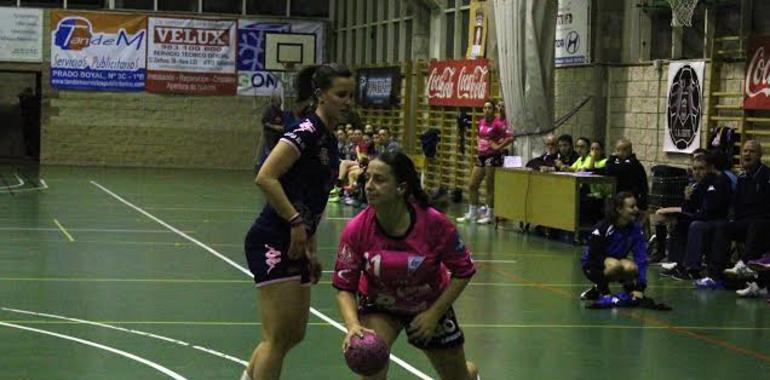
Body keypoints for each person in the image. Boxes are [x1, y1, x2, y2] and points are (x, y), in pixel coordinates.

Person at [242, 64, 355, 380]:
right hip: (272, 236)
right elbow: (265, 177)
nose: (348, 102)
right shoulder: (304, 133)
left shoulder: (329, 140)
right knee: (277, 338)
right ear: (321, 95)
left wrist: (311, 246)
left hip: (296, 241)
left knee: (292, 335)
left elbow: (313, 202)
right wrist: (293, 223)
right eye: (341, 95)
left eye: (351, 95)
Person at [333, 151, 480, 380]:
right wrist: (353, 326)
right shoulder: (356, 229)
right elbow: (345, 286)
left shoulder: (434, 224)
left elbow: (464, 271)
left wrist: (434, 314)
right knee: (370, 361)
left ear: (401, 188)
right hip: (380, 304)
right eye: (367, 178)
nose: (369, 186)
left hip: (428, 303)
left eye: (379, 180)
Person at [700, 140, 770, 293]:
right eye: (745, 151)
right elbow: (735, 205)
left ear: (760, 156)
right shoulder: (742, 177)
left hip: (764, 223)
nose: (747, 154)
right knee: (723, 226)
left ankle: (745, 264)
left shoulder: (766, 176)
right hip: (744, 222)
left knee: (756, 224)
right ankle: (715, 276)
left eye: (752, 151)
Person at [656, 154, 731, 280]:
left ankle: (692, 268)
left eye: (701, 168)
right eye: (695, 169)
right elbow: (688, 209)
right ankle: (676, 263)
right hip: (704, 218)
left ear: (710, 168)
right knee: (680, 221)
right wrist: (687, 198)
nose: (697, 172)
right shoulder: (698, 185)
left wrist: (689, 216)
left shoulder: (717, 183)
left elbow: (709, 212)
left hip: (717, 220)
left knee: (695, 225)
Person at [580, 192, 648, 302]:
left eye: (636, 206)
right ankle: (600, 288)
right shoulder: (603, 227)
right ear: (619, 209)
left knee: (631, 267)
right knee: (615, 266)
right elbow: (593, 257)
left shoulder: (635, 229)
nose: (636, 209)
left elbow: (641, 257)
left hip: (615, 261)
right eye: (631, 207)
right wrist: (604, 289)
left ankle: (629, 290)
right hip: (593, 266)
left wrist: (640, 287)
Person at [457, 100, 513, 224]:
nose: (487, 110)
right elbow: (479, 135)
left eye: (489, 108)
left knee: (489, 186)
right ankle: (472, 213)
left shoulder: (498, 124)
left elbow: (510, 137)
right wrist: (480, 143)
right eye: (485, 108)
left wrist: (498, 147)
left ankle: (490, 215)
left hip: (493, 156)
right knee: (472, 184)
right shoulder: (481, 122)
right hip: (481, 156)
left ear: (494, 110)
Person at [605, 139, 649, 211]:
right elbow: (605, 169)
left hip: (633, 199)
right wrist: (589, 170)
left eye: (624, 150)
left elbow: (610, 170)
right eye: (618, 150)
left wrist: (611, 158)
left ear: (630, 150)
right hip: (620, 196)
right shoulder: (619, 162)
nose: (620, 153)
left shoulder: (633, 163)